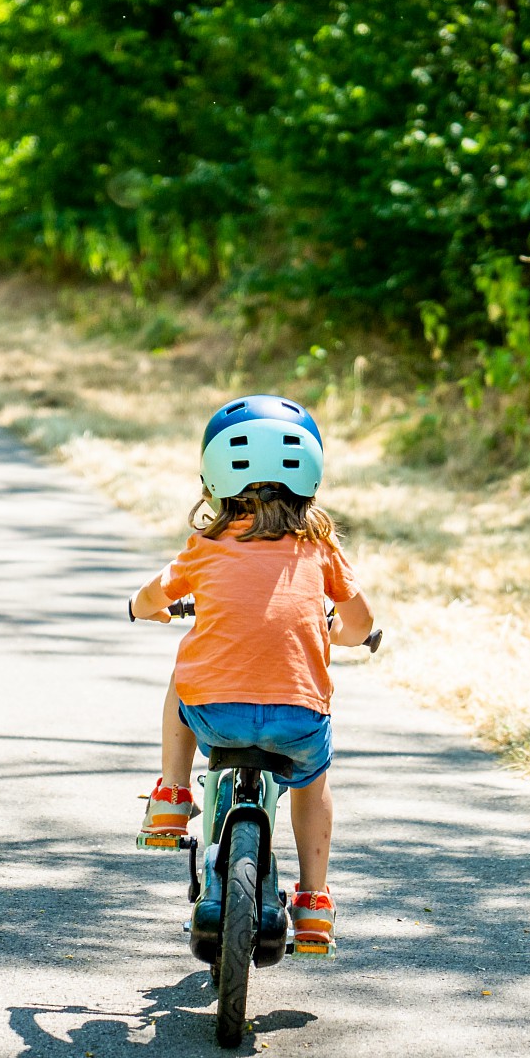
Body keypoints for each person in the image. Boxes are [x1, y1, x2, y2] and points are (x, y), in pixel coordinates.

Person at [126, 395, 376, 957]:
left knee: (183, 674)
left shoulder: (205, 546)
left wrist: (151, 610)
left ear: (213, 477)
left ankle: (171, 793)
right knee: (313, 783)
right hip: (298, 722)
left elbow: (149, 597)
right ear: (311, 474)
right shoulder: (321, 548)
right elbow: (360, 624)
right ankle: (313, 904)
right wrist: (337, 633)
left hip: (215, 716)